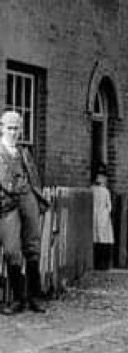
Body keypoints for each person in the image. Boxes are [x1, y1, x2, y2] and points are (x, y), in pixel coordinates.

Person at [0, 110, 49, 314]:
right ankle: (18, 299)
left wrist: (36, 200)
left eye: (17, 128)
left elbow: (34, 177)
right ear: (1, 127)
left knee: (32, 247)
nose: (14, 132)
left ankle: (34, 297)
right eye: (10, 128)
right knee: (12, 250)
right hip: (7, 203)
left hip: (27, 198)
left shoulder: (24, 153)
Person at [91, 165, 114, 271]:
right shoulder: (94, 190)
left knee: (102, 238)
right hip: (97, 216)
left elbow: (109, 206)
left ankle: (102, 263)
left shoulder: (104, 191)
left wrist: (105, 213)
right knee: (97, 237)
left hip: (101, 216)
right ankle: (99, 263)